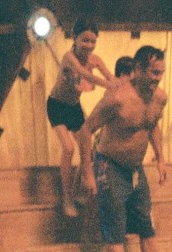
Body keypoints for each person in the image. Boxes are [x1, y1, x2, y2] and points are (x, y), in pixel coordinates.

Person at [79, 45, 168, 252]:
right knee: (115, 228)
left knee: (146, 226)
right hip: (110, 166)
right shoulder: (117, 99)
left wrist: (160, 158)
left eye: (161, 73)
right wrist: (88, 172)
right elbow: (86, 130)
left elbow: (152, 126)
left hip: (135, 169)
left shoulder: (160, 98)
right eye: (153, 73)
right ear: (138, 70)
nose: (157, 79)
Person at [46, 16, 114, 218]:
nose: (89, 45)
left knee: (87, 146)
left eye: (93, 41)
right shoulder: (69, 58)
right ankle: (67, 198)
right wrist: (106, 85)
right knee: (68, 148)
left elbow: (109, 76)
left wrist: (123, 85)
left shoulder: (95, 59)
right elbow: (87, 76)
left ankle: (79, 191)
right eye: (85, 40)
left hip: (74, 108)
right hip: (57, 106)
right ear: (74, 38)